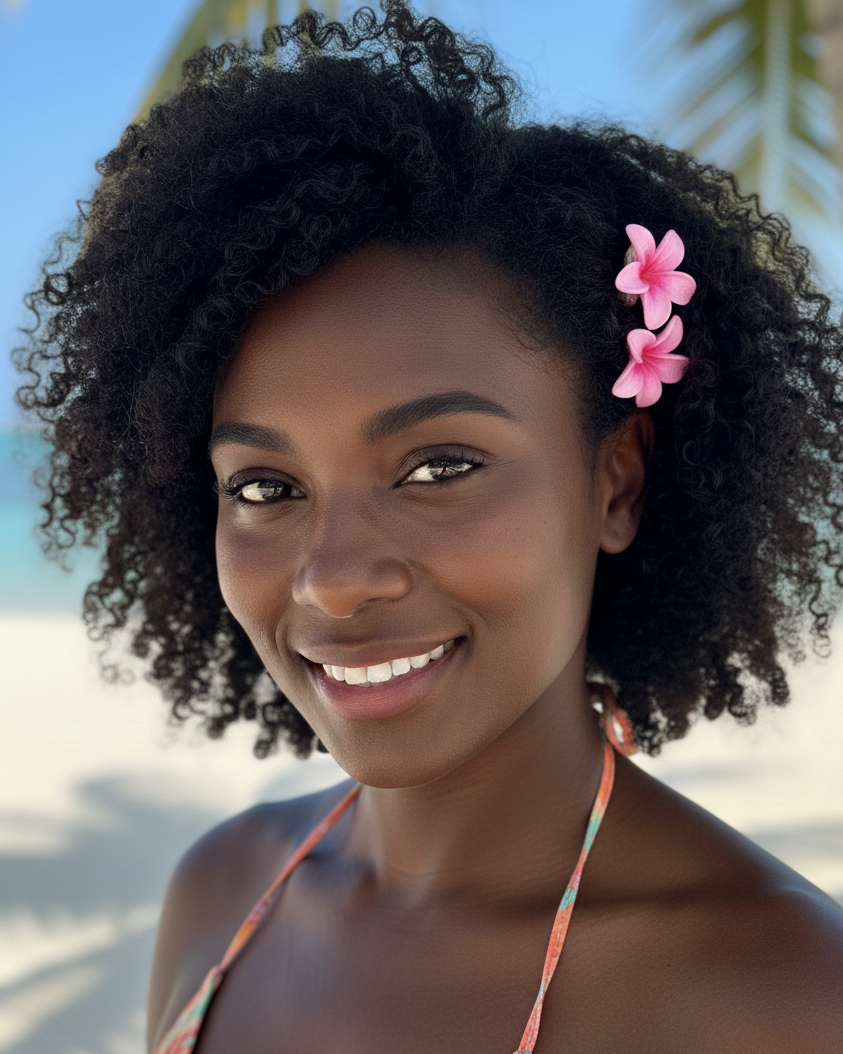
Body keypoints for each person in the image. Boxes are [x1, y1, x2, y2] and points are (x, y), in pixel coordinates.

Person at [14, 2, 843, 1051]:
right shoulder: (221, 892)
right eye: (265, 486)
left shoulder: (784, 998)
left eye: (439, 467)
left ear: (616, 485)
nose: (334, 580)